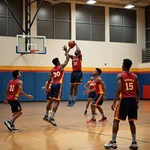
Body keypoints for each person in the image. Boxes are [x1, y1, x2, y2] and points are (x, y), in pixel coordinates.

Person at [104, 59, 140, 150]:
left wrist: (114, 101)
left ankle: (113, 142)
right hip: (132, 100)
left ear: (123, 65)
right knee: (131, 121)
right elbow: (138, 90)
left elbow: (119, 89)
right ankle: (134, 142)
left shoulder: (120, 75)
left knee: (116, 120)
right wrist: (137, 101)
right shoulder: (135, 76)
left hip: (124, 99)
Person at [43, 45, 70, 126]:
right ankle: (51, 117)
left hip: (52, 85)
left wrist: (47, 88)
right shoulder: (61, 67)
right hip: (58, 85)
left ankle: (46, 115)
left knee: (50, 101)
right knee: (57, 102)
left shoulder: (52, 70)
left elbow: (49, 80)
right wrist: (66, 51)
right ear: (58, 62)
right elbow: (67, 59)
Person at [67, 42, 82, 107]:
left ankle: (74, 100)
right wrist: (69, 48)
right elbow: (66, 54)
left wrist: (76, 44)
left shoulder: (80, 57)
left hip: (78, 72)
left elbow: (79, 50)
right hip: (73, 72)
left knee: (76, 86)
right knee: (71, 87)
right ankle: (69, 100)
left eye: (77, 50)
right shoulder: (73, 57)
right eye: (75, 50)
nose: (76, 51)